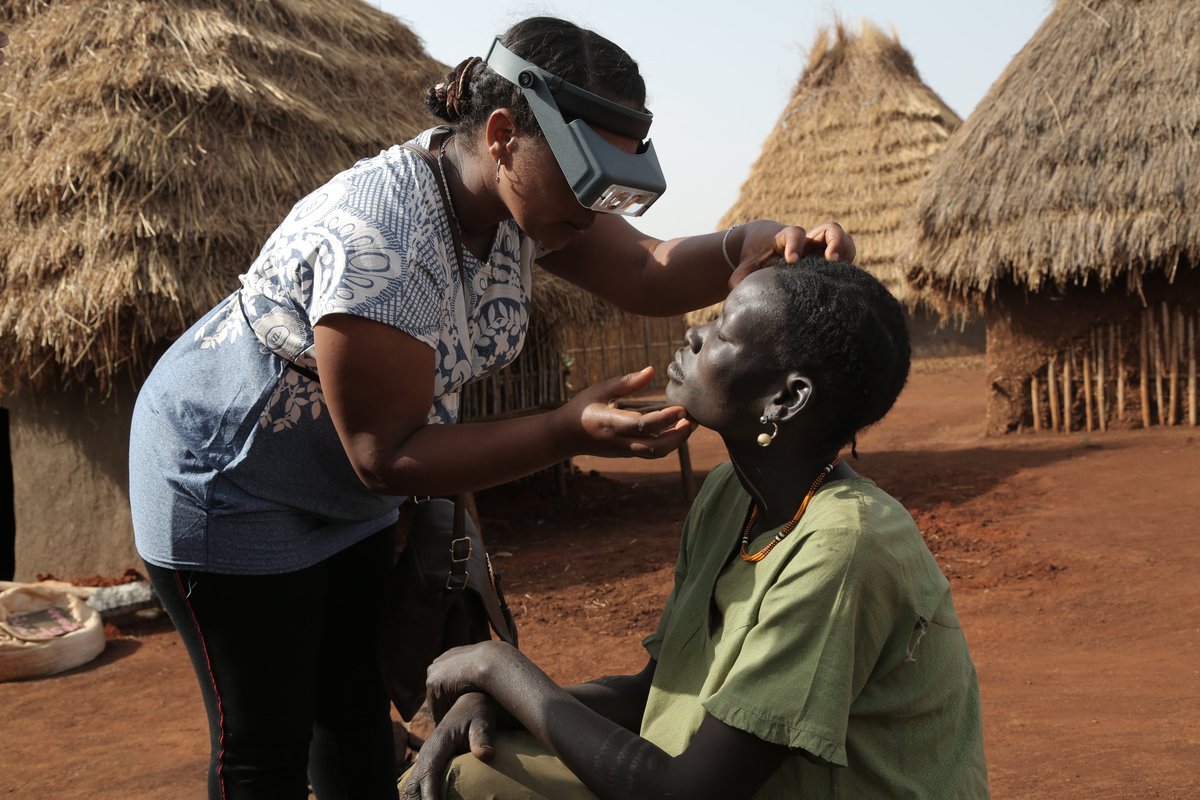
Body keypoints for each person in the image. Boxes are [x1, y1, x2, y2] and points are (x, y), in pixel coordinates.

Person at [127, 15, 856, 800]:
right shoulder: (385, 236)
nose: (596, 206)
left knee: (353, 715)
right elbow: (386, 457)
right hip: (230, 475)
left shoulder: (523, 206)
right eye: (583, 180)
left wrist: (764, 241)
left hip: (339, 485)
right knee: (262, 745)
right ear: (504, 133)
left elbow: (647, 272)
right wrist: (566, 429)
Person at [401, 258, 990, 800]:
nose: (694, 335)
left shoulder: (845, 546)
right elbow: (659, 692)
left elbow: (686, 794)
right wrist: (501, 701)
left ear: (786, 398)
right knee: (476, 764)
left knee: (472, 785)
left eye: (725, 333)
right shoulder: (733, 495)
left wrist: (499, 668)